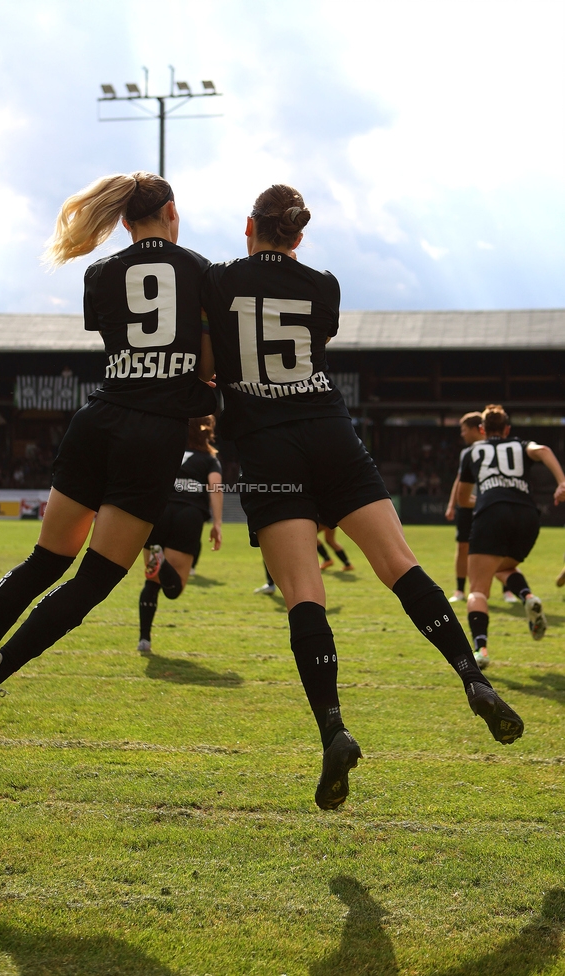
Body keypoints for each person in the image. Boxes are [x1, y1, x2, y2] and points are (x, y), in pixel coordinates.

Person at [201, 183, 525, 812]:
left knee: (304, 593)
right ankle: (472, 677)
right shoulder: (324, 286)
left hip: (267, 447)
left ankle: (333, 729)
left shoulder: (216, 280)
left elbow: (217, 355)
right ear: (298, 237)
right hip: (329, 433)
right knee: (400, 565)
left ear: (250, 225)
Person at [0, 170, 216, 745]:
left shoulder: (100, 272)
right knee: (94, 578)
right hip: (152, 435)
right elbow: (205, 362)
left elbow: (122, 345)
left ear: (121, 219)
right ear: (171, 210)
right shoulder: (201, 271)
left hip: (99, 421)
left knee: (43, 561)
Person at [457, 404, 565, 668]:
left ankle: (480, 649)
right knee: (504, 566)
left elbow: (462, 498)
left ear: (482, 429)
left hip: (492, 514)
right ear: (507, 429)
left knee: (478, 591)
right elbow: (544, 451)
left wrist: (483, 500)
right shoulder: (519, 444)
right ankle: (528, 597)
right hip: (528, 515)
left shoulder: (472, 451)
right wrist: (562, 482)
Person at [137, 415, 222, 653]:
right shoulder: (209, 459)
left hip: (159, 513)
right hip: (189, 515)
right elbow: (215, 488)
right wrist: (217, 523)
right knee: (173, 590)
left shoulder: (166, 450)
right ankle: (161, 561)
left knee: (151, 582)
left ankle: (144, 639)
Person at [445, 412, 517, 605]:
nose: (462, 434)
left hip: (491, 506)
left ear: (479, 429)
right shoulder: (467, 453)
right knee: (463, 547)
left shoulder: (498, 449)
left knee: (501, 548)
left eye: (464, 429)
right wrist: (452, 504)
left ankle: (507, 591)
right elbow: (460, 480)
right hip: (468, 506)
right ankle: (460, 590)